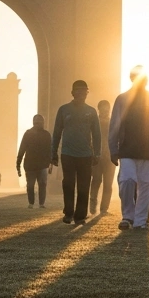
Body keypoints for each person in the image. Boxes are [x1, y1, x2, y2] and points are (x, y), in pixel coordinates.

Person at [109, 66, 149, 230]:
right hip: (127, 150)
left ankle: (141, 221)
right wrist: (113, 149)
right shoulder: (122, 99)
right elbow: (114, 124)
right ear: (131, 78)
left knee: (146, 185)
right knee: (127, 181)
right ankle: (128, 216)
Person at [52, 80, 102, 226]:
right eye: (78, 91)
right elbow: (56, 133)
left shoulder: (91, 112)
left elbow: (97, 134)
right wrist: (53, 153)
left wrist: (97, 153)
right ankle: (68, 213)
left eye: (84, 91)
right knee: (68, 184)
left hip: (86, 154)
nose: (81, 94)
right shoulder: (63, 110)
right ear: (72, 93)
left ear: (87, 93)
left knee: (84, 185)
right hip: (67, 153)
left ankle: (80, 215)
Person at [16, 114, 52, 208]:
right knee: (33, 185)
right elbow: (22, 149)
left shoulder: (45, 134)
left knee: (40, 184)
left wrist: (51, 162)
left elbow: (50, 150)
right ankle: (33, 203)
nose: (38, 124)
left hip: (38, 164)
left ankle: (39, 203)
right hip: (33, 164)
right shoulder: (29, 133)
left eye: (39, 122)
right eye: (37, 122)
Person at [90, 99, 115, 215]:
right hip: (97, 156)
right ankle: (93, 203)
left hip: (110, 157)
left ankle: (104, 208)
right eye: (103, 109)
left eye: (107, 109)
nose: (105, 111)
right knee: (96, 180)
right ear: (99, 109)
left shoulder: (113, 124)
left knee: (108, 183)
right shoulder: (94, 123)